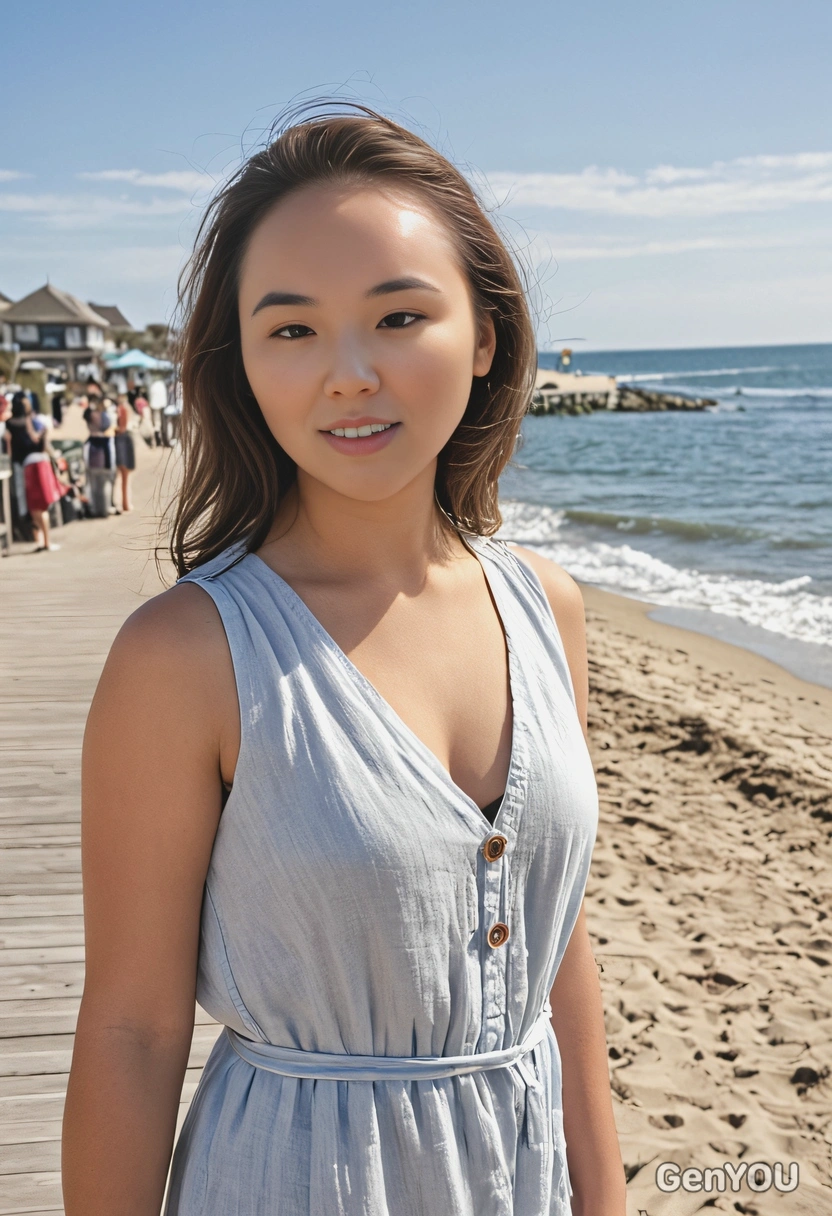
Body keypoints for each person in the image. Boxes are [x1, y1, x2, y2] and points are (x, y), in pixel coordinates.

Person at [63, 106, 624, 1216]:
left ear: (485, 336)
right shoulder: (185, 654)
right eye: (292, 330)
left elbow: (556, 954)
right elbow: (131, 1027)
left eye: (398, 314)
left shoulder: (545, 607)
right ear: (245, 364)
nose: (348, 373)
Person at [7, 395, 62, 551]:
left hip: (21, 467)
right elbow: (36, 442)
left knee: (30, 505)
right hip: (36, 464)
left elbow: (11, 449)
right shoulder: (29, 421)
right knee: (40, 505)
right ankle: (45, 541)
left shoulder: (9, 424)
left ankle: (39, 540)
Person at [82, 396, 117, 518]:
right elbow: (108, 425)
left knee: (95, 485)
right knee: (104, 483)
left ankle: (97, 509)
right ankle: (104, 509)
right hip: (102, 450)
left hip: (92, 451)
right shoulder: (101, 416)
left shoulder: (88, 416)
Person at [114, 394, 136, 512]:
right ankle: (125, 503)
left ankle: (124, 503)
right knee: (125, 474)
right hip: (126, 438)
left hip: (123, 439)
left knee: (123, 474)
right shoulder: (126, 407)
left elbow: (122, 427)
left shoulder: (122, 408)